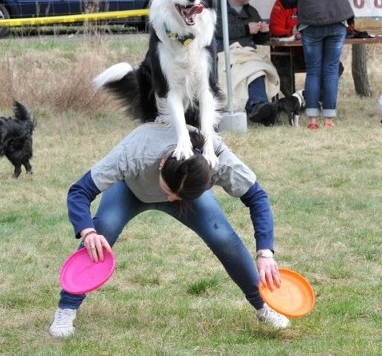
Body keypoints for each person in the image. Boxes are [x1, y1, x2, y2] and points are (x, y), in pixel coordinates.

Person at [48, 123, 291, 338]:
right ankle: (67, 307)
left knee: (223, 237)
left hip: (191, 197)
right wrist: (88, 232)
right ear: (162, 163)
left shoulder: (216, 157)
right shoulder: (136, 151)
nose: (171, 198)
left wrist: (265, 252)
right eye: (169, 191)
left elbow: (256, 196)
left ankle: (262, 306)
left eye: (178, 194)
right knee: (104, 228)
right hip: (132, 189)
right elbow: (79, 191)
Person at [285, 0, 354, 129]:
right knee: (331, 69)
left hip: (311, 22)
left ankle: (313, 121)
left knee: (314, 70)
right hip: (337, 20)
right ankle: (329, 119)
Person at [216, 0, 280, 126]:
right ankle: (257, 106)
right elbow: (216, 30)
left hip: (248, 54)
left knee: (256, 69)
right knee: (253, 69)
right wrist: (246, 28)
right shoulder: (217, 8)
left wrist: (264, 31)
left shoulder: (251, 11)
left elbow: (260, 40)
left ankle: (259, 106)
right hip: (225, 53)